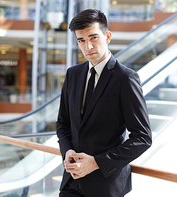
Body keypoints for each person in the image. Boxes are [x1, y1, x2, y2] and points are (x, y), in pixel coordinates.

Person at [56, 9, 152, 197]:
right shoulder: (73, 74)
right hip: (71, 183)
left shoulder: (126, 78)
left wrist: (97, 162)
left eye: (93, 38)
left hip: (106, 186)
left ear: (107, 36)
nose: (88, 46)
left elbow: (142, 137)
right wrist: (67, 151)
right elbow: (63, 123)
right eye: (81, 40)